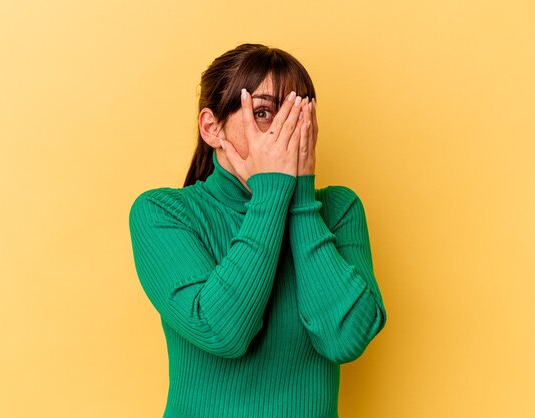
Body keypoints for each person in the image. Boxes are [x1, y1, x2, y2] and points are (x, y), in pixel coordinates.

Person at [128, 43, 387, 418]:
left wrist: (297, 198)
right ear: (212, 127)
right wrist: (271, 194)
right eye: (264, 112)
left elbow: (344, 339)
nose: (284, 132)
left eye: (297, 114)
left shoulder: (339, 209)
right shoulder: (163, 213)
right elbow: (223, 331)